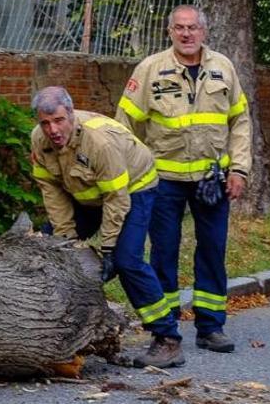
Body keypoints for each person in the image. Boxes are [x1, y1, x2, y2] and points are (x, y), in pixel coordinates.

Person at [115, 4, 252, 353]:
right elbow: (124, 125)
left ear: (204, 31)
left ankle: (210, 327)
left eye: (193, 28)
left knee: (212, 250)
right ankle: (166, 328)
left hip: (212, 179)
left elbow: (240, 122)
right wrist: (132, 174)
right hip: (162, 180)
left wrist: (238, 169)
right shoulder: (150, 70)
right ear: (170, 32)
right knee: (164, 251)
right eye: (179, 28)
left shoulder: (223, 68)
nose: (187, 34)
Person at [30, 86, 185, 368]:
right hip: (88, 193)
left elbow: (116, 198)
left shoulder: (99, 143)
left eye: (59, 120)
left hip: (133, 189)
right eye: (45, 122)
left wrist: (109, 247)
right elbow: (51, 190)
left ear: (71, 114)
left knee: (127, 261)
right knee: (48, 246)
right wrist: (65, 238)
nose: (52, 129)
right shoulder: (39, 141)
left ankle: (168, 338)